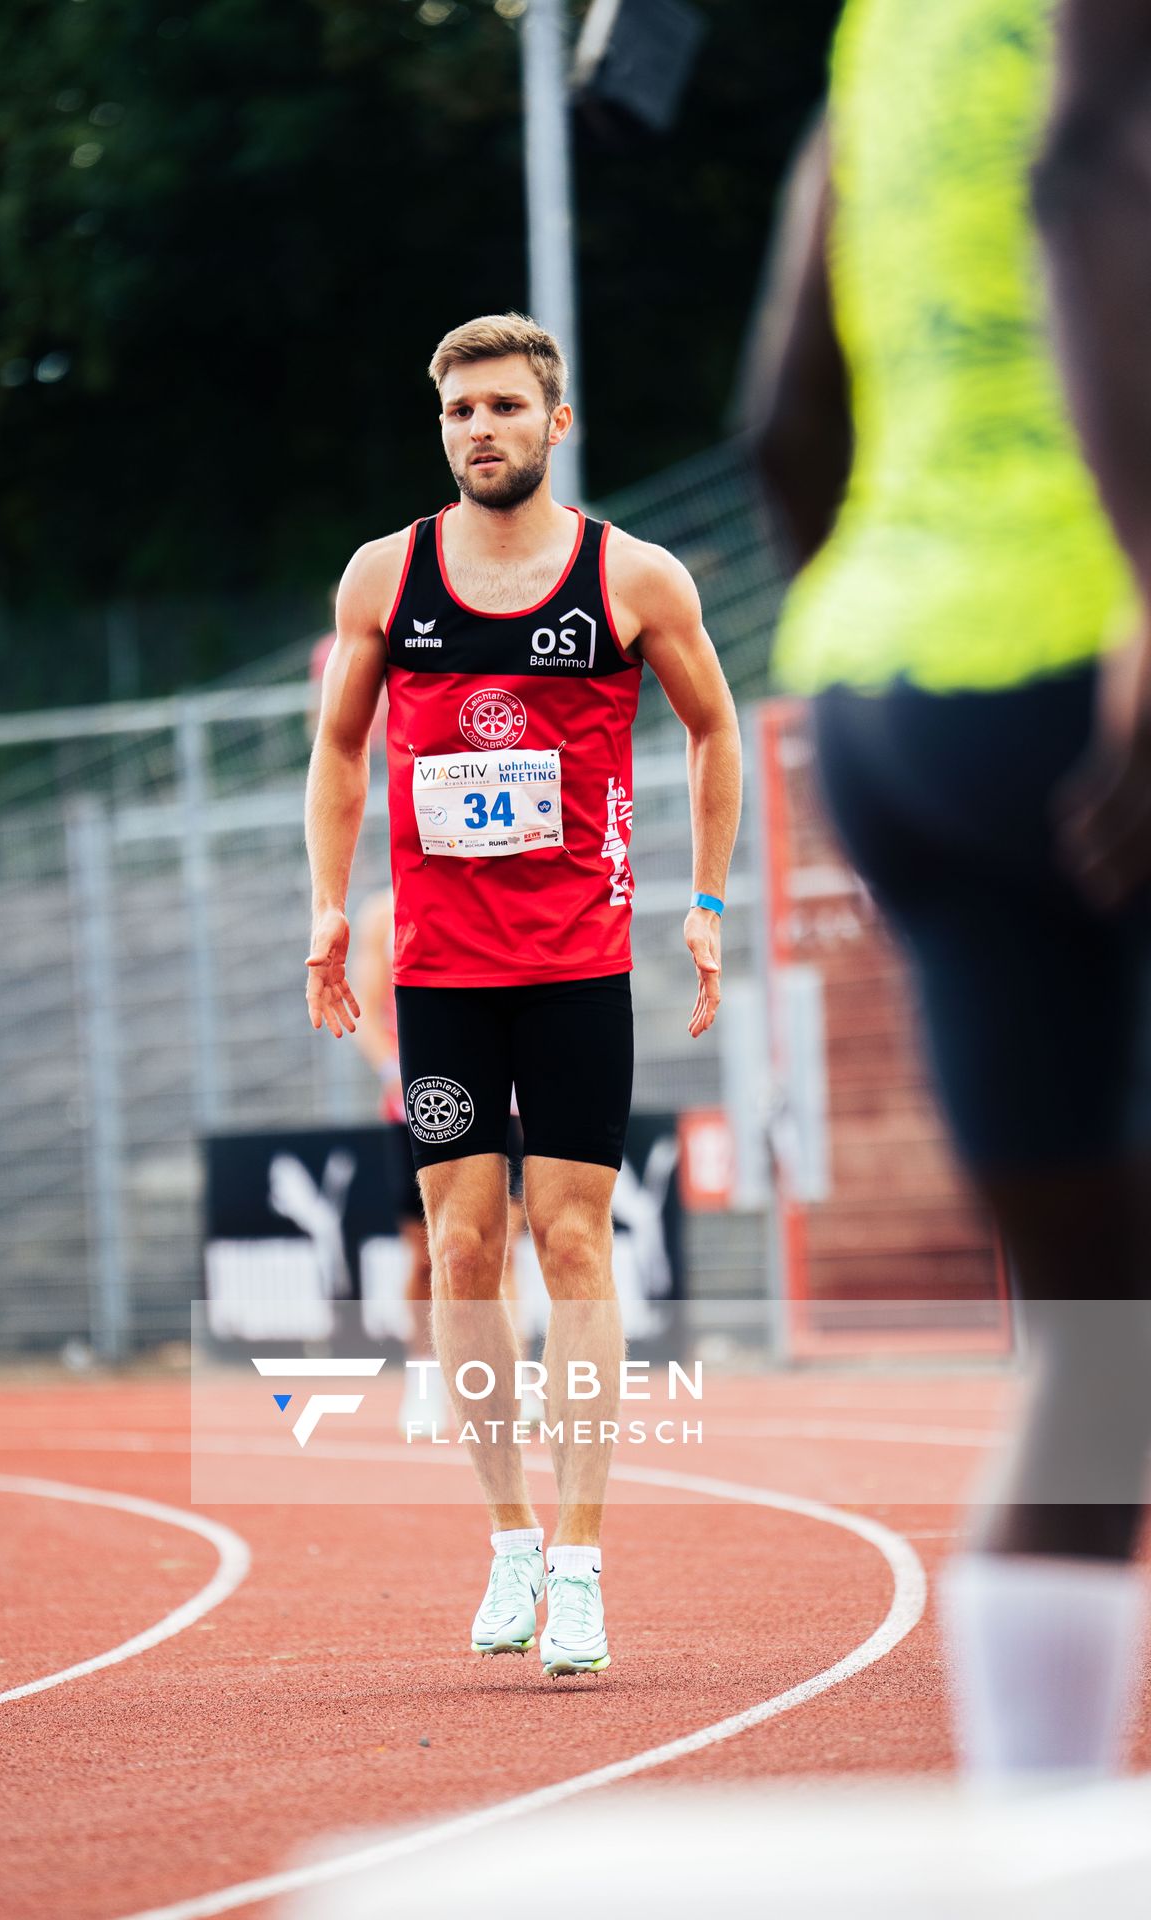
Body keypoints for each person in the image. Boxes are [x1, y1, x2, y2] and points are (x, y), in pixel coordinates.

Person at [748, 0, 1151, 1774]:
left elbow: (779, 405)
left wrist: (864, 639)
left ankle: (1038, 1836)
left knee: (1101, 1354)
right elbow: (1087, 176)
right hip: (1087, 651)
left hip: (891, 693)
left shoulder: (884, 33)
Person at [306, 312, 741, 1677]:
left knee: (574, 1244)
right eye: (458, 412)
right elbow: (337, 746)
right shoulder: (387, 577)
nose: (480, 428)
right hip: (439, 974)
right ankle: (505, 1541)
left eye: (503, 407)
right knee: (467, 1250)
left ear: (557, 425)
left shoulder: (633, 579)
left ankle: (583, 1560)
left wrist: (708, 900)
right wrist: (328, 908)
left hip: (573, 966)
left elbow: (715, 727)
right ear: (441, 430)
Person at [348, 885, 529, 1434]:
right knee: (430, 1257)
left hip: (501, 1102)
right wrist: (397, 1077)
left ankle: (513, 1383)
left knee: (504, 1252)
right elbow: (366, 1012)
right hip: (418, 1107)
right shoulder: (383, 915)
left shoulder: (497, 896)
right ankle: (425, 1381)